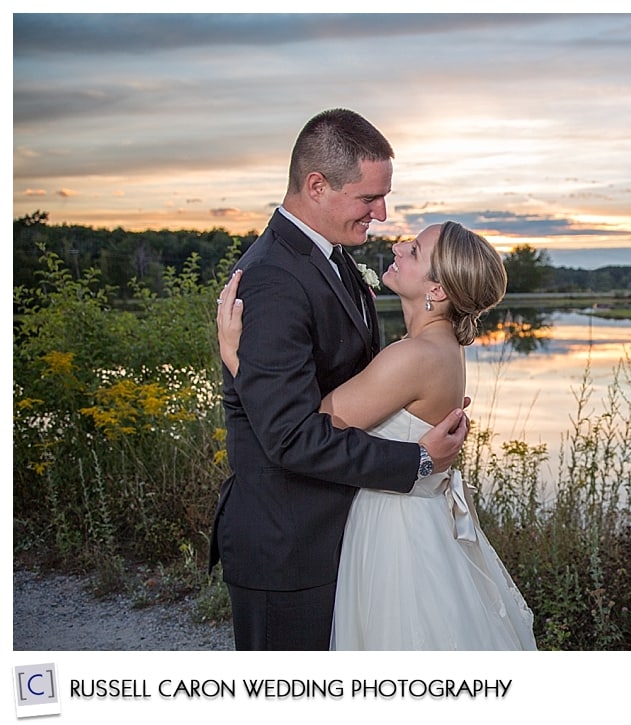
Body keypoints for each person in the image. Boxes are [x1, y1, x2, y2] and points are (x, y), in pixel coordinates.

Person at [208, 109, 469, 650]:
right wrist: (418, 459)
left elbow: (361, 390)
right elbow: (289, 435)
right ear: (317, 185)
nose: (382, 212)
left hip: (342, 537)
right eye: (369, 197)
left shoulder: (334, 260)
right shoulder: (276, 277)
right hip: (288, 546)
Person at [218, 221, 536, 650]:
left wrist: (238, 360)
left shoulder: (412, 356)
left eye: (416, 251)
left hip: (395, 532)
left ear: (437, 290)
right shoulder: (442, 347)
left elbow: (308, 425)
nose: (400, 246)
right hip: (416, 516)